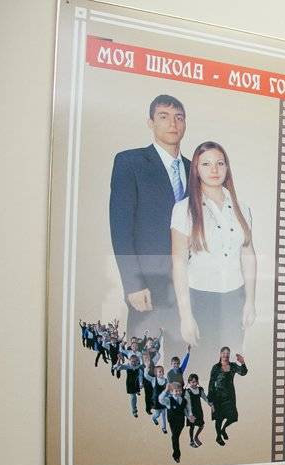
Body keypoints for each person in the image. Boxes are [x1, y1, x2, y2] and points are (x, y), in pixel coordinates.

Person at [109, 94, 190, 358]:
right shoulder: (130, 163)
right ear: (151, 123)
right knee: (143, 364)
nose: (172, 124)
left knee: (185, 364)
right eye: (164, 117)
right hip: (147, 285)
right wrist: (132, 283)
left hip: (190, 287)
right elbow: (121, 229)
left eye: (179, 117)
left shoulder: (197, 170)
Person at [170, 141, 258, 373]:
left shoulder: (242, 208)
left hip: (234, 298)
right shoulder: (183, 209)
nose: (214, 169)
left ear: (227, 167)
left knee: (228, 369)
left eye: (220, 163)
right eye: (206, 164)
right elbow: (178, 264)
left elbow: (248, 255)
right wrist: (185, 316)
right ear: (196, 169)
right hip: (200, 299)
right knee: (201, 368)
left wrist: (250, 301)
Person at [207, 347, 249, 446]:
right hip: (218, 396)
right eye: (224, 353)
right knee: (219, 418)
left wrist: (242, 362)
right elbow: (211, 382)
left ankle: (223, 429)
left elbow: (243, 372)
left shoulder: (233, 365)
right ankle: (218, 436)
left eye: (228, 353)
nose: (226, 355)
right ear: (220, 354)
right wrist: (210, 398)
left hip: (230, 395)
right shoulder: (216, 367)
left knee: (233, 416)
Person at [159, 382, 194, 463]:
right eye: (176, 391)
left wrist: (189, 417)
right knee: (175, 437)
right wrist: (166, 390)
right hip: (172, 421)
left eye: (180, 391)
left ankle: (176, 453)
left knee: (175, 436)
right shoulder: (168, 400)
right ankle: (176, 455)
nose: (178, 392)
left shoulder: (183, 400)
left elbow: (184, 410)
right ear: (171, 392)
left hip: (181, 421)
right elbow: (160, 399)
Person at [185, 373, 211, 448]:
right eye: (192, 382)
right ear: (189, 382)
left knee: (201, 425)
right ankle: (191, 441)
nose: (194, 383)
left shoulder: (199, 390)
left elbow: (205, 398)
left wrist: (210, 404)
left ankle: (196, 437)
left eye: (196, 381)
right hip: (191, 412)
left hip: (199, 410)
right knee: (192, 427)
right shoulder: (188, 391)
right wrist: (190, 415)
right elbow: (188, 404)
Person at [144, 365, 169, 434]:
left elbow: (168, 390)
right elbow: (146, 376)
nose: (161, 373)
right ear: (156, 373)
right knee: (157, 414)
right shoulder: (153, 380)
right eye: (159, 372)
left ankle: (164, 428)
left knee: (163, 414)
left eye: (162, 371)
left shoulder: (166, 380)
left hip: (163, 401)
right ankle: (154, 418)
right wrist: (147, 368)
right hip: (156, 401)